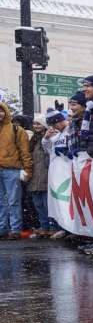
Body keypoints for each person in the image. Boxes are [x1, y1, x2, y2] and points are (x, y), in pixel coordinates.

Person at [0, 102, 32, 240]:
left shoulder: (16, 129)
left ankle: (15, 230)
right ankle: (2, 229)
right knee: (1, 202)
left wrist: (28, 169)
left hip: (11, 169)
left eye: (1, 111)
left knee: (14, 201)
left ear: (6, 112)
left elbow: (25, 152)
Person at [25, 116, 52, 237]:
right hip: (35, 177)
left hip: (47, 176)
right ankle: (44, 226)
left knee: (48, 205)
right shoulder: (34, 140)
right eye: (34, 124)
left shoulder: (50, 138)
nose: (36, 126)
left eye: (39, 124)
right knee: (38, 205)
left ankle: (52, 227)